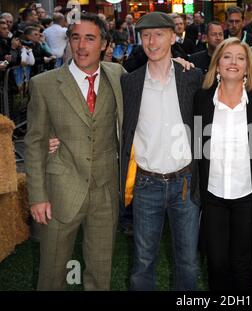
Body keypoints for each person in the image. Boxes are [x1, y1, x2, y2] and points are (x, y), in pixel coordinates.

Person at [24, 13, 124, 290]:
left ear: (104, 44)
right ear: (68, 42)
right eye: (75, 38)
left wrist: (178, 62)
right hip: (60, 192)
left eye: (90, 38)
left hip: (104, 192)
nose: (81, 46)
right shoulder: (44, 84)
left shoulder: (118, 76)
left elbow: (151, 79)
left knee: (99, 276)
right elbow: (33, 144)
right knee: (52, 275)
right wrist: (37, 197)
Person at [120, 12, 203, 291]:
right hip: (146, 184)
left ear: (173, 36)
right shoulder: (129, 83)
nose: (151, 41)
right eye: (145, 35)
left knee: (188, 261)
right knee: (143, 260)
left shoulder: (192, 77)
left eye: (158, 34)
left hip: (186, 183)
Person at [194, 37, 252, 291]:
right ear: (217, 63)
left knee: (242, 263)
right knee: (216, 261)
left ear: (247, 66)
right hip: (213, 195)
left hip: (247, 194)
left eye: (240, 58)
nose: (233, 62)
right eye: (227, 56)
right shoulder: (201, 99)